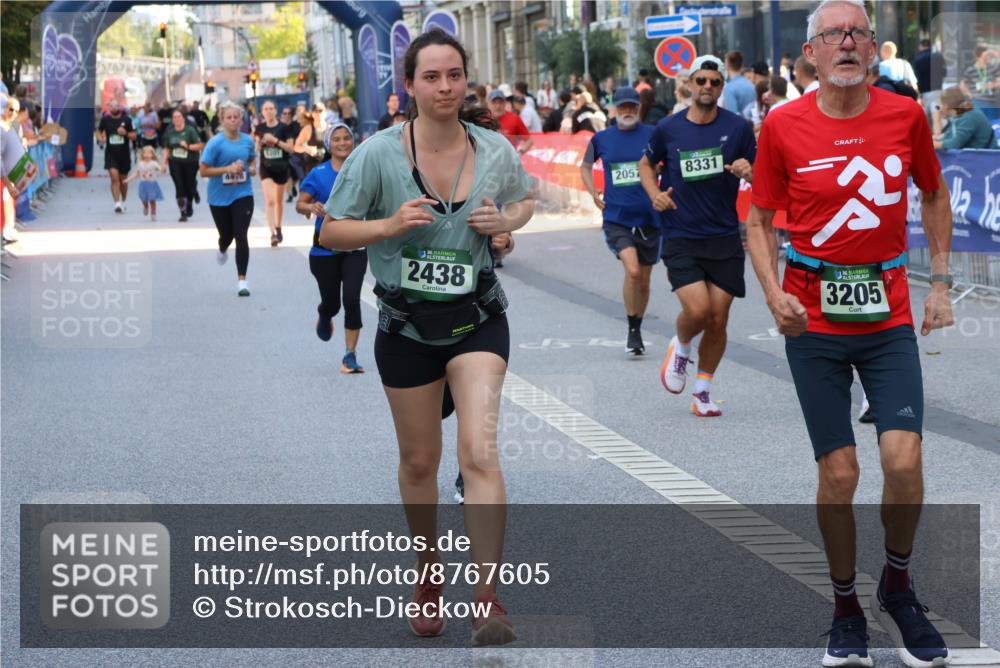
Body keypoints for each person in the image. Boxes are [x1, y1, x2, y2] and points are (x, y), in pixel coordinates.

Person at [745, 2, 954, 666]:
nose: (844, 43)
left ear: (871, 49)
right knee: (840, 473)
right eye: (830, 35)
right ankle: (844, 606)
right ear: (809, 53)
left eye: (856, 32)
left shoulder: (903, 116)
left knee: (904, 460)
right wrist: (774, 294)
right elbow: (760, 218)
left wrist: (942, 282)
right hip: (812, 316)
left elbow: (933, 191)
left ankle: (897, 585)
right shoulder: (782, 125)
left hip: (888, 312)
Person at [319, 28, 534, 646]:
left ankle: (488, 598)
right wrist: (388, 224)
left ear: (467, 81)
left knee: (479, 453)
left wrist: (504, 225)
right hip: (406, 326)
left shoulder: (492, 149)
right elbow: (332, 232)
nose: (445, 87)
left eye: (454, 75)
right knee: (420, 461)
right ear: (408, 86)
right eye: (431, 77)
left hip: (478, 319)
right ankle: (428, 573)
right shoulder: (378, 154)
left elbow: (522, 204)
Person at [638, 54, 756, 418]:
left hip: (723, 236)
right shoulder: (668, 128)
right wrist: (654, 193)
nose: (707, 87)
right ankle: (682, 344)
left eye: (714, 82)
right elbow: (646, 164)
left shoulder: (737, 128)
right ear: (689, 84)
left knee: (719, 320)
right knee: (700, 311)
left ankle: (702, 390)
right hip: (681, 234)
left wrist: (746, 169)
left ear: (722, 87)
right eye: (701, 81)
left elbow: (757, 171)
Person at [580, 87, 660, 355]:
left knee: (645, 281)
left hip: (650, 218)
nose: (627, 111)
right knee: (633, 271)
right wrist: (593, 192)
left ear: (638, 108)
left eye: (632, 106)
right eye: (622, 106)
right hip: (617, 218)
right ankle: (632, 327)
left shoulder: (652, 134)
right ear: (614, 109)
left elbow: (668, 162)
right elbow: (585, 166)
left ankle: (637, 325)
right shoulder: (602, 138)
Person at [296, 123, 368, 373]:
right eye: (336, 139)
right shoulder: (318, 173)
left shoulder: (363, 170)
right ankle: (325, 314)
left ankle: (350, 355)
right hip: (324, 250)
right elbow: (300, 204)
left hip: (355, 246)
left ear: (353, 140)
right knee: (333, 303)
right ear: (329, 144)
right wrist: (312, 207)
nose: (342, 142)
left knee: (351, 299)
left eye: (346, 137)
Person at [199, 101, 257, 297]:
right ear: (222, 120)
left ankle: (242, 281)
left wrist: (251, 169)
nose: (233, 121)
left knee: (241, 235)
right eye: (229, 118)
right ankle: (222, 247)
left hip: (243, 193)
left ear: (241, 119)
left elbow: (251, 161)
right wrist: (227, 169)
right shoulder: (215, 143)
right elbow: (203, 171)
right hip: (219, 197)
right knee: (227, 235)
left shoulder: (248, 141)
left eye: (236, 117)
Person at [254, 100, 296, 247]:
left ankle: (278, 227)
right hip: (266, 167)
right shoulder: (259, 128)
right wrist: (259, 144)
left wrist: (275, 141)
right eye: (266, 109)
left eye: (271, 108)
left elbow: (291, 148)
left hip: (281, 167)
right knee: (270, 200)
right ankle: (272, 234)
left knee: (279, 202)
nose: (269, 111)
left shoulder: (284, 128)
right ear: (262, 112)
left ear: (276, 111)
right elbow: (256, 149)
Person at [96, 99, 136, 214]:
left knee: (123, 180)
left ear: (120, 107)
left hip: (124, 154)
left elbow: (134, 136)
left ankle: (123, 201)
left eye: (116, 105)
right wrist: (100, 139)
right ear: (109, 107)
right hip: (111, 154)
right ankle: (117, 203)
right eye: (112, 106)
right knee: (114, 177)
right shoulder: (105, 120)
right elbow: (98, 131)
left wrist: (126, 134)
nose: (114, 107)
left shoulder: (127, 120)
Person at [933, 86, 998, 149]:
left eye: (939, 106)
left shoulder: (969, 117)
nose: (938, 109)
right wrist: (935, 138)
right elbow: (951, 135)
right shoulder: (959, 114)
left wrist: (930, 145)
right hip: (973, 155)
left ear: (946, 106)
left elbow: (954, 144)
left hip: (986, 156)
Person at [123, 146, 166, 221]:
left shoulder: (154, 163)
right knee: (143, 198)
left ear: (152, 155)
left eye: (149, 153)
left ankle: (153, 213)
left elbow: (161, 169)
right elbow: (136, 173)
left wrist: (163, 168)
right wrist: (127, 180)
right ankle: (145, 206)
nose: (147, 155)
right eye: (145, 153)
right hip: (143, 184)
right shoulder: (140, 164)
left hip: (152, 184)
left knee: (152, 200)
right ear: (142, 154)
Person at [960, 45, 1000, 121]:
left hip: (991, 103)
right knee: (977, 125)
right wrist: (969, 94)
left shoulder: (993, 68)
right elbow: (963, 84)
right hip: (977, 102)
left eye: (988, 55)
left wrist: (993, 85)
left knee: (993, 126)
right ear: (979, 55)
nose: (989, 57)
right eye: (986, 55)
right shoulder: (970, 70)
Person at [488, 90, 533, 155]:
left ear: (505, 103)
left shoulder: (514, 118)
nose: (498, 106)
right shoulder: (483, 120)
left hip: (508, 162)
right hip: (490, 162)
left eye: (500, 102)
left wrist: (520, 153)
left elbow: (529, 141)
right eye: (494, 102)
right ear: (488, 104)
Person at [293, 107, 327, 177]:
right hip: (313, 168)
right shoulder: (308, 129)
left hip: (329, 167)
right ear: (313, 114)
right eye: (315, 111)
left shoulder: (331, 128)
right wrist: (306, 148)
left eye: (320, 111)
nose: (318, 113)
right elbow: (296, 147)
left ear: (325, 113)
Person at [283, 106, 301, 202]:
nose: (286, 115)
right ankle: (290, 194)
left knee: (296, 175)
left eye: (288, 113)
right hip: (283, 154)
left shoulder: (295, 125)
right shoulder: (280, 125)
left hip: (295, 152)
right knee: (287, 175)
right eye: (284, 113)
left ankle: (293, 186)